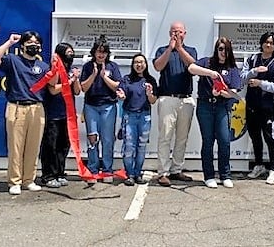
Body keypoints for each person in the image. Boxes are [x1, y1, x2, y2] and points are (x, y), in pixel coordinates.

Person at [0, 31, 55, 195]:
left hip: (37, 108)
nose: (34, 45)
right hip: (17, 107)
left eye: (37, 43)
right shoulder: (13, 60)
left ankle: (29, 180)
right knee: (16, 147)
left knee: (33, 146)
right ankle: (15, 181)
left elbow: (52, 85)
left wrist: (57, 66)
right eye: (30, 42)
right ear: (23, 45)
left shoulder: (43, 66)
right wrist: (9, 42)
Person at [188, 37, 241, 188]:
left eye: (226, 49)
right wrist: (210, 73)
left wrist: (223, 93)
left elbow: (235, 91)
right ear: (216, 49)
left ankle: (225, 175)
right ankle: (209, 176)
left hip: (222, 107)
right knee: (208, 141)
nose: (223, 52)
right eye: (220, 49)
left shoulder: (232, 69)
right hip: (205, 106)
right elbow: (191, 68)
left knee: (224, 140)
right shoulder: (207, 62)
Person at [153, 21, 198, 187]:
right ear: (169, 33)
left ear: (185, 33)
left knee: (182, 137)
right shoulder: (161, 50)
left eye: (179, 32)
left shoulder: (190, 50)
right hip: (167, 98)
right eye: (173, 31)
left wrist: (179, 48)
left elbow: (193, 65)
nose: (176, 34)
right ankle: (163, 172)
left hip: (185, 99)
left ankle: (176, 169)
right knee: (165, 136)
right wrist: (170, 48)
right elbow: (158, 66)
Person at [241, 31, 274, 185]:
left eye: (271, 43)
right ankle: (258, 165)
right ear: (261, 43)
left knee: (270, 138)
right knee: (255, 137)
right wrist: (254, 72)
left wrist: (261, 84)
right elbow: (242, 78)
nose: (268, 45)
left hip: (266, 107)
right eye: (266, 42)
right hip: (251, 105)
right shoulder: (252, 59)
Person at [80, 35, 122, 184]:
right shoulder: (87, 66)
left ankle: (107, 170)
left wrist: (104, 77)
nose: (101, 54)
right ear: (94, 52)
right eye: (98, 51)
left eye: (104, 52)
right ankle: (92, 170)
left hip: (108, 106)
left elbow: (118, 86)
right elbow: (83, 87)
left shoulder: (113, 66)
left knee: (108, 139)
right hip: (91, 106)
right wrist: (94, 75)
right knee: (92, 139)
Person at [40, 43, 81, 188]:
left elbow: (77, 91)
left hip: (67, 115)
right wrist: (65, 77)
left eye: (72, 52)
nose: (71, 55)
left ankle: (59, 173)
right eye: (68, 52)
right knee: (50, 146)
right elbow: (52, 89)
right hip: (53, 115)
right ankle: (48, 175)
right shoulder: (53, 69)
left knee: (63, 146)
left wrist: (75, 79)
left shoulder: (71, 69)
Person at [116, 53, 158, 186]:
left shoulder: (150, 80)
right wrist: (121, 95)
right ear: (133, 65)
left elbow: (153, 101)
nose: (139, 65)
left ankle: (138, 173)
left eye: (142, 62)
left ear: (146, 64)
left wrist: (149, 94)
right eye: (136, 62)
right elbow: (121, 94)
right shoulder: (126, 79)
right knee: (129, 146)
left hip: (145, 117)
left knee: (141, 147)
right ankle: (130, 174)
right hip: (129, 116)